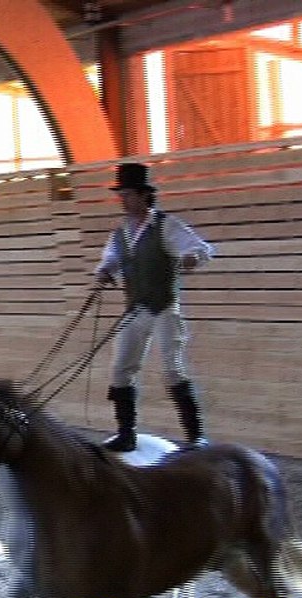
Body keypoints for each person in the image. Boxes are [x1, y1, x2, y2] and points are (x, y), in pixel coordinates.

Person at [94, 162, 214, 452]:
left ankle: (196, 436)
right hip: (135, 309)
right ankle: (126, 433)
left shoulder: (166, 225)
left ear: (143, 194)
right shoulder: (121, 233)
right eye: (121, 194)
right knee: (120, 368)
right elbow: (111, 259)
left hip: (163, 309)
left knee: (172, 368)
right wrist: (104, 272)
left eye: (127, 194)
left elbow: (201, 248)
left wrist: (192, 258)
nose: (122, 200)